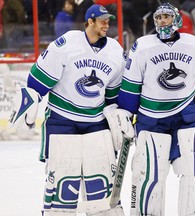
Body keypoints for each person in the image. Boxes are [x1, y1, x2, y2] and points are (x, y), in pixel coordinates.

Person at [9, 4, 134, 216]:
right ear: (90, 21)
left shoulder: (114, 51)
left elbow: (113, 95)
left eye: (108, 20)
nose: (106, 24)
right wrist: (31, 98)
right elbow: (37, 82)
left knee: (101, 185)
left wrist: (119, 112)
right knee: (63, 186)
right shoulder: (66, 44)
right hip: (62, 120)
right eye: (102, 20)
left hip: (96, 121)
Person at [117, 2, 195, 216]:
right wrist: (126, 112)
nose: (161, 21)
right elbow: (131, 85)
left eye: (166, 17)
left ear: (176, 19)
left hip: (186, 116)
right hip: (151, 119)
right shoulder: (142, 46)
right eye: (158, 18)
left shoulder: (194, 45)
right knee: (149, 175)